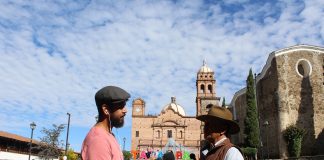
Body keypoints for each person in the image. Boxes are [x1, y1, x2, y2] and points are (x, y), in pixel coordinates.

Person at [81, 86, 130, 160]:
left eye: (124, 106)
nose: (125, 110)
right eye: (120, 106)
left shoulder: (108, 135)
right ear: (106, 110)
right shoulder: (99, 140)